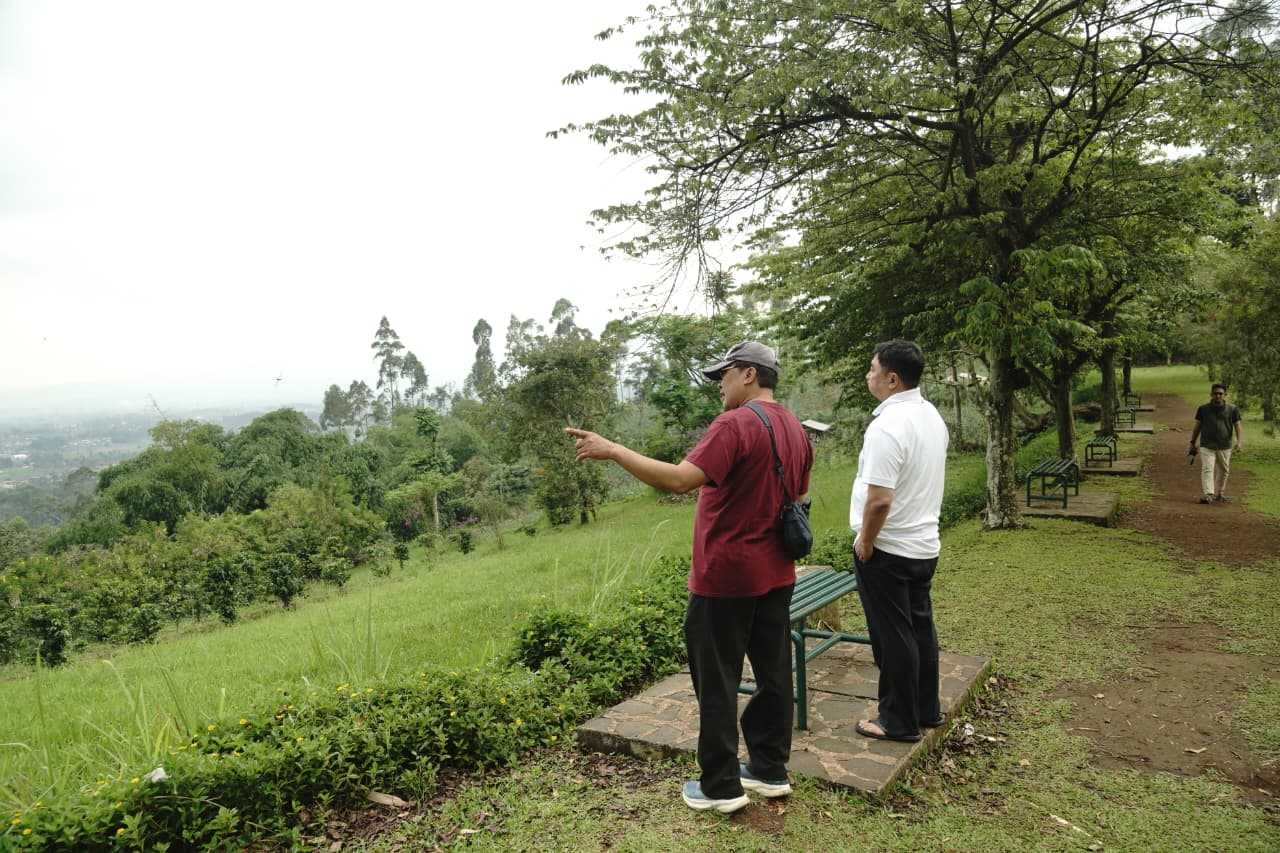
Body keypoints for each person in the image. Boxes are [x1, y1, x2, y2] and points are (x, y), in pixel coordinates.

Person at [566, 341, 812, 814]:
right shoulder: (795, 427)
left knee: (717, 680)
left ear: (746, 374)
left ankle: (720, 786)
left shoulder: (734, 423)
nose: (718, 383)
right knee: (773, 671)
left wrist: (613, 449)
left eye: (723, 374)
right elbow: (799, 495)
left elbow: (678, 480)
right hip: (778, 571)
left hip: (725, 577)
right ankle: (768, 769)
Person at [850, 340, 949, 743]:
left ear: (892, 379)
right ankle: (927, 708)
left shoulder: (887, 426)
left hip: (889, 548)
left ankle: (897, 720)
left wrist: (866, 542)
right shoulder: (930, 416)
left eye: (873, 369)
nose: (868, 375)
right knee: (919, 629)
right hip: (924, 544)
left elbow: (880, 499)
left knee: (893, 637)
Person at [1190, 383, 1243, 504]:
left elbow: (1238, 426)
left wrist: (1239, 442)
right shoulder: (1203, 409)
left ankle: (1220, 493)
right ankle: (1208, 494)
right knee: (1208, 468)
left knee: (1224, 470)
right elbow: (1197, 426)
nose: (1218, 396)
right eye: (1215, 393)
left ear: (1225, 395)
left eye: (1220, 393)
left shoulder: (1232, 409)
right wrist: (1192, 442)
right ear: (1211, 394)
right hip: (1207, 445)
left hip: (1225, 445)